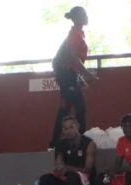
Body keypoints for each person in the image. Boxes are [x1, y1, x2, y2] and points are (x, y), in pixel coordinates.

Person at [50, 6, 96, 147]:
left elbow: (73, 61)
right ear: (76, 18)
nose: (86, 17)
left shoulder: (78, 33)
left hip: (70, 75)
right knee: (74, 108)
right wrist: (87, 74)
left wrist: (80, 77)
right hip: (67, 75)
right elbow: (73, 56)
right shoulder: (74, 34)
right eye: (84, 15)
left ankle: (57, 142)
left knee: (71, 107)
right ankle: (75, 141)